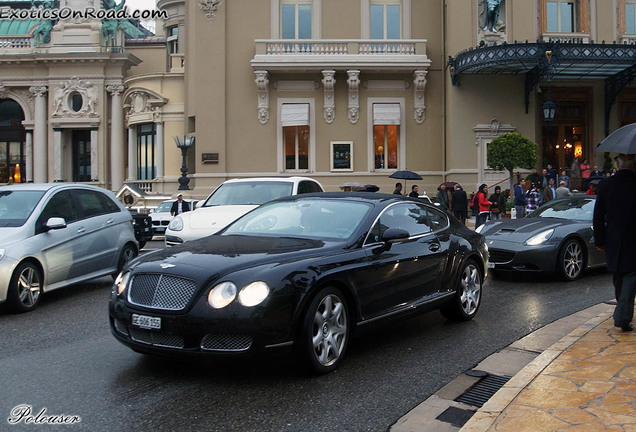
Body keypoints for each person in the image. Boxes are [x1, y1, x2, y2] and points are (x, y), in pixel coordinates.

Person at [593, 153, 636, 332]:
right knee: (630, 276)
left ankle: (623, 313)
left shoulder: (606, 185)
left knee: (619, 276)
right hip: (634, 240)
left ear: (618, 164)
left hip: (614, 240)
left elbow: (598, 216)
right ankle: (622, 316)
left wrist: (600, 240)